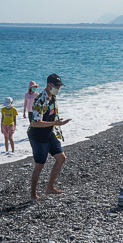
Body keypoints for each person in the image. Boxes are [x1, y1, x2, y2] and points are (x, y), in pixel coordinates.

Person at [28, 73, 71, 201]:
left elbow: (51, 114)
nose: (58, 88)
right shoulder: (40, 99)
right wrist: (55, 123)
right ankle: (33, 194)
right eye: (56, 86)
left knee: (61, 158)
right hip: (38, 136)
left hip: (49, 133)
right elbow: (35, 123)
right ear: (49, 85)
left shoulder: (53, 97)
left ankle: (50, 188)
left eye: (59, 86)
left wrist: (56, 121)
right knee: (39, 165)